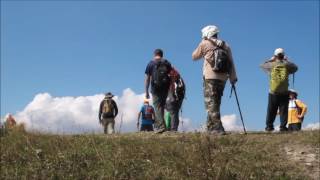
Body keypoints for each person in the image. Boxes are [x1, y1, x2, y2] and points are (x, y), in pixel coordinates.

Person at [192, 25, 237, 135]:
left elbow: (194, 56)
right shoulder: (226, 45)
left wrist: (203, 43)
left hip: (210, 76)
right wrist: (233, 78)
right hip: (223, 78)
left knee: (210, 103)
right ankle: (210, 128)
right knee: (215, 103)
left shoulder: (205, 43)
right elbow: (231, 63)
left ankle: (218, 128)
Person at [260, 48, 298, 132]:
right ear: (283, 55)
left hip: (273, 92)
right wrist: (287, 60)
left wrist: (270, 59)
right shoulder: (287, 65)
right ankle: (283, 127)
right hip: (284, 92)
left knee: (271, 110)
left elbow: (261, 65)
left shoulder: (271, 65)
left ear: (275, 56)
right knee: (283, 110)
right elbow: (296, 68)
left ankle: (269, 127)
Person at [145, 49, 172, 133]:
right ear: (162, 55)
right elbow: (171, 76)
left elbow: (147, 79)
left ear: (154, 54)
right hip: (165, 87)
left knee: (157, 107)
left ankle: (160, 126)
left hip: (155, 88)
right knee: (162, 106)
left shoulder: (151, 63)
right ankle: (161, 125)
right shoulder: (167, 63)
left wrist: (146, 91)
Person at [165, 67, 185, 131]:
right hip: (179, 98)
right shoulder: (179, 77)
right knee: (175, 113)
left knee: (170, 113)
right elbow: (183, 88)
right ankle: (174, 128)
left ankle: (171, 129)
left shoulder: (168, 75)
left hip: (170, 96)